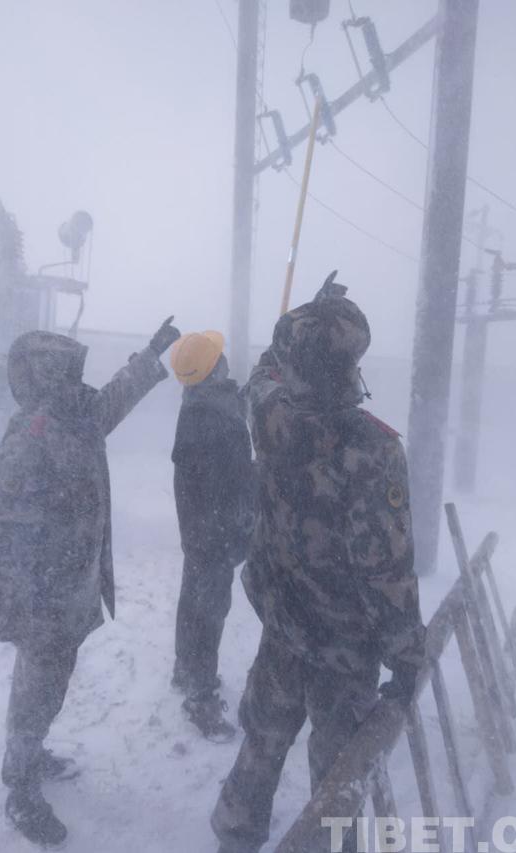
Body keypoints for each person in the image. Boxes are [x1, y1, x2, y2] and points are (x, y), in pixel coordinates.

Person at [211, 274, 426, 853]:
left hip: (283, 620)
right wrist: (406, 655)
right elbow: (386, 569)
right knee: (338, 776)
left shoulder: (271, 413)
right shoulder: (373, 451)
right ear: (354, 358)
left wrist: (307, 312)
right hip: (344, 644)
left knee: (263, 737)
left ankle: (235, 833)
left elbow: (261, 375)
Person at [0, 317, 180, 848]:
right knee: (36, 689)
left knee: (50, 685)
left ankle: (32, 751)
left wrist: (151, 353)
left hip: (66, 591)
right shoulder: (32, 436)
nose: (76, 382)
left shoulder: (74, 416)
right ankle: (20, 785)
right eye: (66, 373)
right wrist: (16, 604)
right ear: (45, 378)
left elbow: (114, 398)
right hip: (41, 599)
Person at [169, 331, 255, 742]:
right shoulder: (213, 419)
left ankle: (185, 670)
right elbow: (235, 475)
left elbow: (234, 402)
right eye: (220, 357)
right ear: (213, 368)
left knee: (193, 601)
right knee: (209, 613)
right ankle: (201, 699)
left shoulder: (198, 406)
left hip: (200, 532)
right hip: (215, 533)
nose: (225, 361)